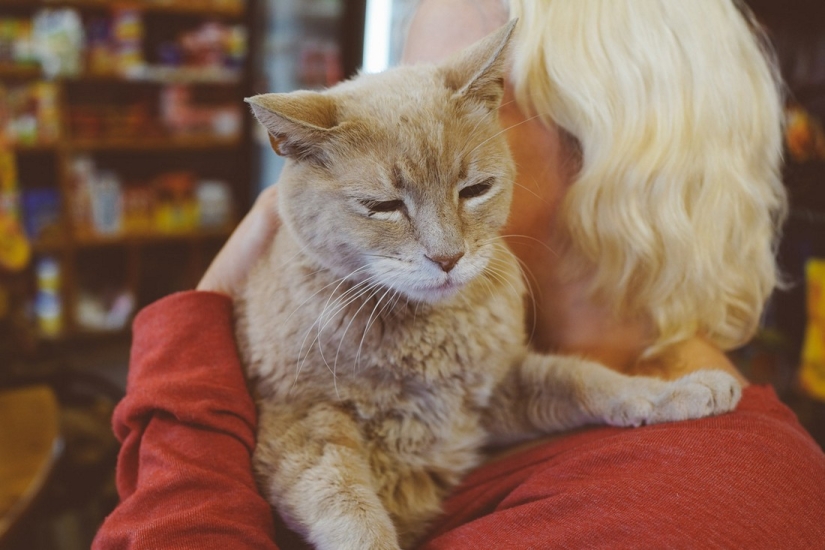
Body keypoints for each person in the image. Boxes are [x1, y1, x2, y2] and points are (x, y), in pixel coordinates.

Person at [93, 1, 825, 548]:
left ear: (610, 135)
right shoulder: (489, 341)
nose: (404, 97)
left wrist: (191, 344)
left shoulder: (680, 509)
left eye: (472, 86)